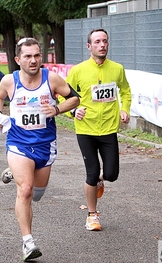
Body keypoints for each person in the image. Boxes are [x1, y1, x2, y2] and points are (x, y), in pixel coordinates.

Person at [0, 37, 80, 261]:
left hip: (45, 145)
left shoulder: (51, 79)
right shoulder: (10, 81)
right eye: (28, 56)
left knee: (37, 195)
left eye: (37, 55)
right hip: (18, 143)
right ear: (17, 59)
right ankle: (28, 243)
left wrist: (57, 109)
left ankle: (16, 173)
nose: (33, 60)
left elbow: (75, 99)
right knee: (26, 190)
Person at [65, 28, 131, 231]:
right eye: (97, 42)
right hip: (86, 129)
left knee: (111, 174)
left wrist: (124, 109)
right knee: (91, 173)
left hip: (109, 128)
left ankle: (100, 182)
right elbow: (62, 96)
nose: (102, 45)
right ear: (89, 46)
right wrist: (73, 112)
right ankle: (92, 215)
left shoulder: (117, 69)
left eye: (105, 41)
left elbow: (126, 91)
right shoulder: (78, 70)